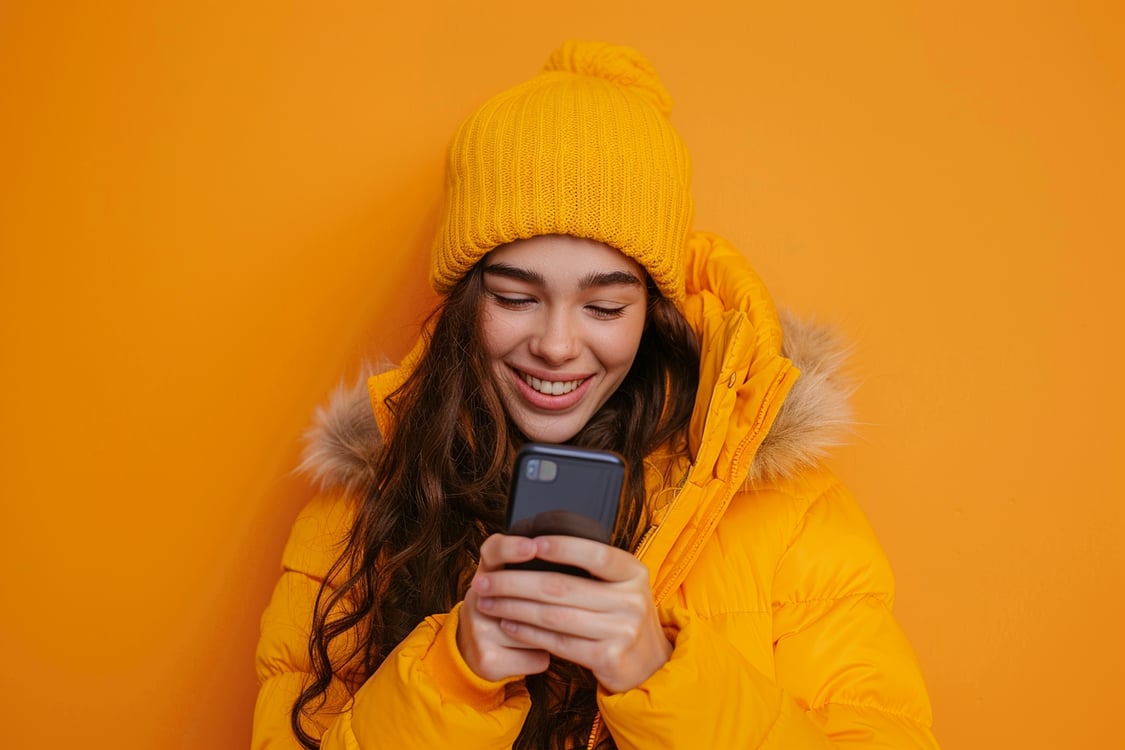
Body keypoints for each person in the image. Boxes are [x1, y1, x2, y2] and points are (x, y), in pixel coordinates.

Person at [252, 41, 941, 749]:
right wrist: (454, 676)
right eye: (517, 297)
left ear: (652, 312)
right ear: (465, 302)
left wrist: (659, 672)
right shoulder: (355, 511)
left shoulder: (790, 514)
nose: (556, 344)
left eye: (604, 309)